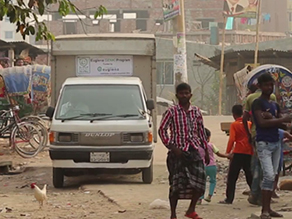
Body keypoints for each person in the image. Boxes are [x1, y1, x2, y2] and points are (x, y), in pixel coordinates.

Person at [159, 82, 210, 219]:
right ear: (177, 95)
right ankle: (173, 214)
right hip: (177, 152)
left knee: (200, 181)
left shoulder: (196, 111)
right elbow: (162, 130)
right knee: (176, 184)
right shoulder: (171, 111)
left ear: (190, 94)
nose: (184, 95)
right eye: (181, 93)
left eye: (186, 93)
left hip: (193, 150)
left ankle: (191, 210)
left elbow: (201, 132)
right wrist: (172, 146)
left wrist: (205, 150)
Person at [251, 73, 292, 219]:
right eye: (266, 85)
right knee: (268, 175)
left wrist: (274, 119)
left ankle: (267, 208)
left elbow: (283, 123)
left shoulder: (274, 105)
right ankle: (264, 210)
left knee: (274, 175)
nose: (269, 87)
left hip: (276, 142)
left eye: (271, 85)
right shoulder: (257, 103)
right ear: (259, 86)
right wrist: (279, 120)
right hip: (264, 142)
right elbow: (261, 123)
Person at [243, 83, 277, 206]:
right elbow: (276, 116)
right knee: (266, 168)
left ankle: (255, 193)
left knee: (257, 165)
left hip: (255, 134)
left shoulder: (250, 98)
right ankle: (260, 195)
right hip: (268, 135)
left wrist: (248, 133)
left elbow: (244, 117)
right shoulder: (272, 98)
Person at [219, 104, 253, 204]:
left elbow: (232, 139)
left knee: (232, 177)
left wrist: (228, 152)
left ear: (234, 114)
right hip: (248, 152)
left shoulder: (234, 125)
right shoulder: (249, 123)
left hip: (238, 152)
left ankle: (229, 198)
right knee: (249, 175)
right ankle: (256, 194)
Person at [197, 128, 229, 205]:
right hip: (211, 166)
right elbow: (219, 154)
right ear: (208, 137)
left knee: (202, 182)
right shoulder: (211, 145)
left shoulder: (197, 146)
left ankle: (200, 198)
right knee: (213, 181)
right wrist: (228, 155)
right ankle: (209, 196)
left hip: (202, 166)